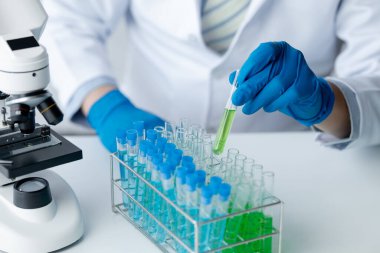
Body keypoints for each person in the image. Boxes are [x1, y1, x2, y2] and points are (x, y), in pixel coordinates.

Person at [42, 0, 380, 152]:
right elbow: (68, 18)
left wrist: (324, 103)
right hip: (140, 136)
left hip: (284, 153)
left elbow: (374, 80)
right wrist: (106, 106)